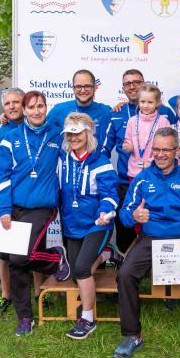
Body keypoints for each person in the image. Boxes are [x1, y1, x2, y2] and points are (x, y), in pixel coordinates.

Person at [114, 128, 180, 358]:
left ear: (176, 151)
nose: (160, 155)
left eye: (166, 150)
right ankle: (132, 335)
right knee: (125, 274)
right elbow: (125, 213)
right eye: (156, 149)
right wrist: (134, 216)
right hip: (151, 238)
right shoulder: (142, 179)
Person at [0, 90, 71, 337]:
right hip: (14, 208)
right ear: (24, 111)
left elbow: (75, 156)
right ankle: (25, 317)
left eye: (41, 106)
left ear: (46, 108)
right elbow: (1, 176)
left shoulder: (58, 135)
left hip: (42, 207)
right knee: (16, 263)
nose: (36, 111)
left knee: (18, 258)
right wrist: (3, 210)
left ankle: (57, 260)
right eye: (32, 107)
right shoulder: (10, 138)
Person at [57, 113, 118, 340]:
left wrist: (105, 211)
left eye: (78, 134)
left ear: (88, 134)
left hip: (96, 225)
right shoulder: (62, 159)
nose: (73, 138)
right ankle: (105, 255)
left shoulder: (101, 162)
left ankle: (87, 319)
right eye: (69, 134)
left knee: (82, 268)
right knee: (76, 273)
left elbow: (110, 195)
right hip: (73, 225)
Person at [104, 70, 175, 253]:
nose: (132, 86)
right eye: (127, 83)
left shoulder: (165, 114)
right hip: (127, 180)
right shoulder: (118, 113)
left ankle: (154, 262)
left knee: (155, 221)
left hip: (157, 179)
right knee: (127, 226)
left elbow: (175, 141)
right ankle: (127, 260)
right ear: (123, 88)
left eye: (136, 82)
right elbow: (105, 149)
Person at [0, 87, 25, 318]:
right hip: (5, 198)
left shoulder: (34, 126)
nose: (12, 106)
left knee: (34, 248)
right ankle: (6, 294)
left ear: (24, 104)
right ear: (3, 107)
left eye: (16, 102)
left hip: (29, 198)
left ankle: (41, 292)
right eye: (8, 103)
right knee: (4, 251)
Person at [46, 69, 111, 145]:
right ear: (73, 88)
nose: (83, 90)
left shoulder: (106, 111)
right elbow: (44, 135)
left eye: (87, 86)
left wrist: (121, 105)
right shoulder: (58, 110)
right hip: (67, 153)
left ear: (94, 87)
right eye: (78, 86)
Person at [122, 84, 171, 178]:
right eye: (142, 101)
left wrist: (151, 161)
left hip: (157, 171)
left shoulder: (163, 122)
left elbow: (167, 147)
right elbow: (128, 140)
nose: (146, 105)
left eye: (150, 102)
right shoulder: (132, 121)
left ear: (158, 103)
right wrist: (128, 146)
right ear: (138, 102)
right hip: (134, 171)